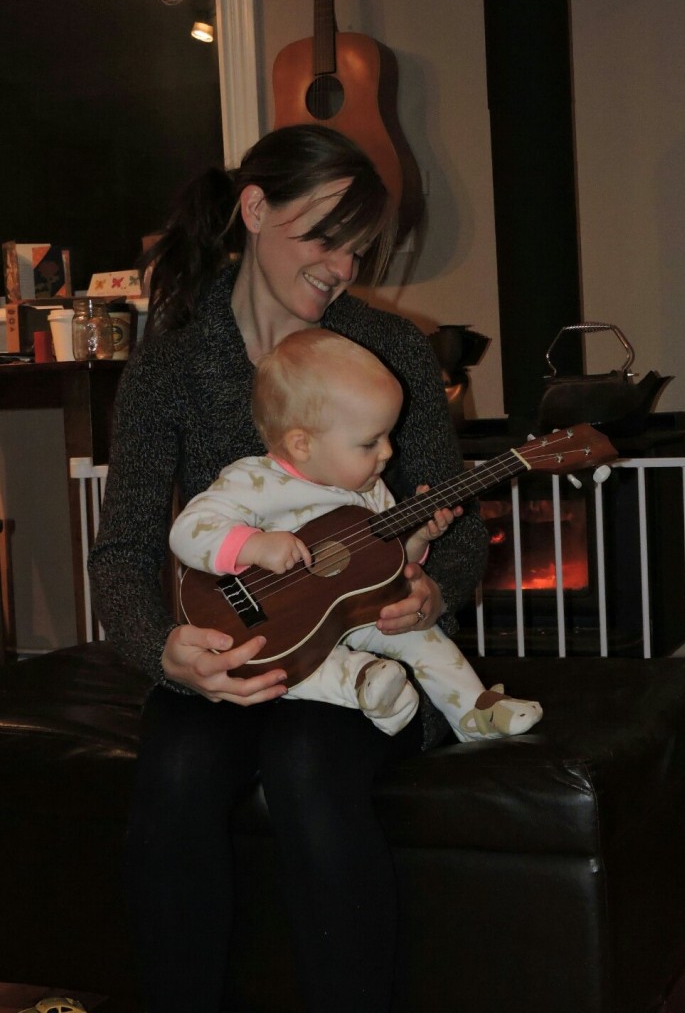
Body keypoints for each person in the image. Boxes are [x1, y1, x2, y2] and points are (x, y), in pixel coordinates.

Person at [88, 124, 491, 1013]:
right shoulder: (172, 364)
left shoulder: (387, 350)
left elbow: (459, 523)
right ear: (255, 209)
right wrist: (164, 653)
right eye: (323, 236)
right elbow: (121, 550)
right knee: (178, 772)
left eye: (357, 247)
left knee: (310, 766)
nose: (342, 265)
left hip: (363, 661)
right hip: (233, 654)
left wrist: (434, 588)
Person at [170, 328, 543, 742]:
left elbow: (387, 564)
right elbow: (187, 531)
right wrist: (253, 546)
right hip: (267, 624)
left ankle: (474, 711)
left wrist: (418, 539)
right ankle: (363, 684)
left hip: (355, 611)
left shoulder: (369, 489)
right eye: (370, 442)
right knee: (292, 671)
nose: (388, 453)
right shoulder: (254, 480)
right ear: (302, 444)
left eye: (387, 436)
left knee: (422, 635)